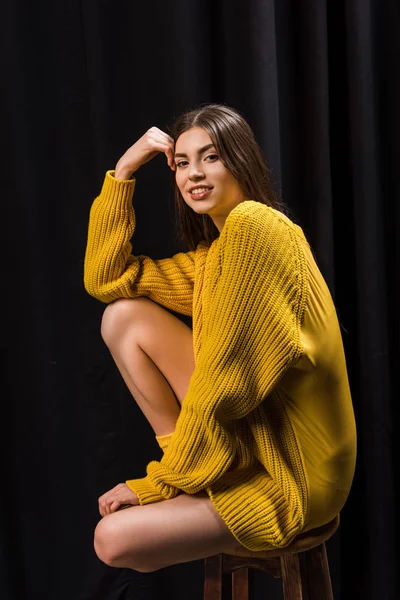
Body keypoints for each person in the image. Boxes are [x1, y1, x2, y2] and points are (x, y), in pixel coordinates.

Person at [83, 103, 357, 573]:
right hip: (255, 440)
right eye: (183, 162)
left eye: (211, 157)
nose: (194, 174)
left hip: (294, 474)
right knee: (123, 316)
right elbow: (107, 280)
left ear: (241, 160)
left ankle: (191, 472)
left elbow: (224, 383)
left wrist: (159, 484)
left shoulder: (257, 229)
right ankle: (195, 471)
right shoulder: (214, 257)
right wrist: (124, 172)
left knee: (112, 540)